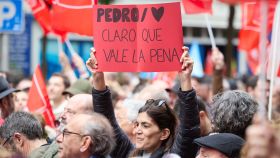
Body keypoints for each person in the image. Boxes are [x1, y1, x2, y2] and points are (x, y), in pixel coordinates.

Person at [86, 47, 200, 158]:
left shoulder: (175, 155)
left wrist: (185, 79)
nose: (137, 131)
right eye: (137, 124)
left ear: (164, 133)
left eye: (145, 125)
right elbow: (107, 122)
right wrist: (98, 77)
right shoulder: (129, 153)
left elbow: (189, 129)